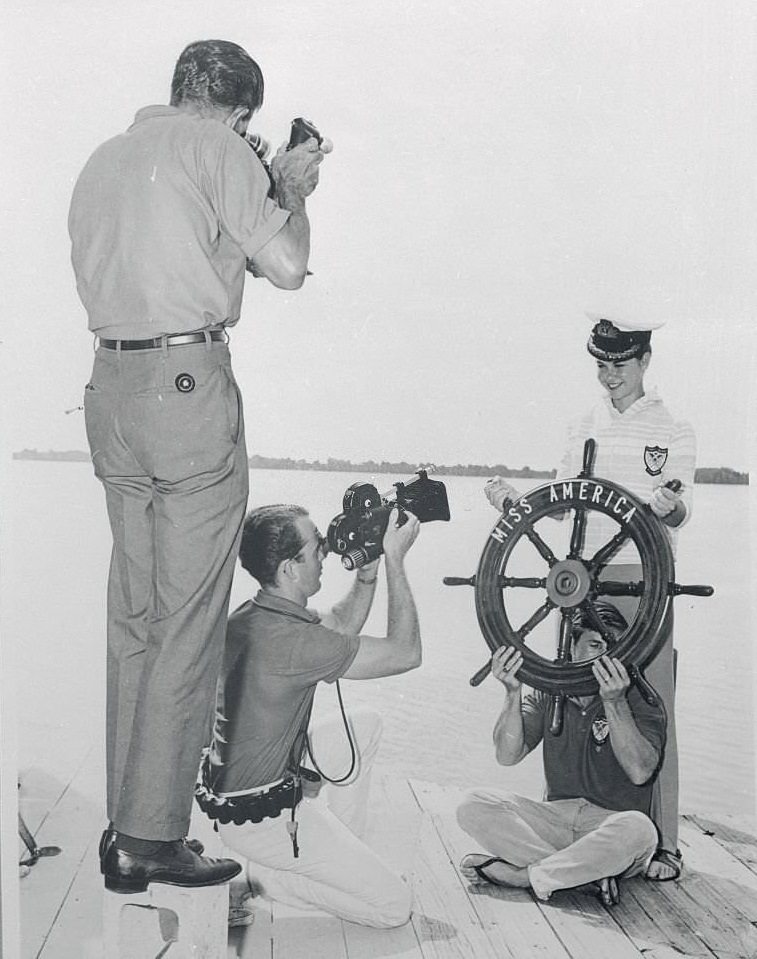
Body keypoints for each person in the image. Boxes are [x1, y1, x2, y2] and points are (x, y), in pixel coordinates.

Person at [68, 39, 330, 892]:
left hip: (111, 391)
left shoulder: (104, 159)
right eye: (247, 124)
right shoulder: (216, 148)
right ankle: (151, 837)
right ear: (237, 110)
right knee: (188, 622)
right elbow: (286, 266)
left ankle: (123, 824)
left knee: (137, 616)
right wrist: (285, 187)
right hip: (186, 392)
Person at [483, 313, 695, 881]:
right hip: (578, 576)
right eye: (601, 366)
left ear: (645, 360)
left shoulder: (674, 428)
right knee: (567, 688)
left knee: (651, 703)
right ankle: (563, 815)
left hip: (645, 577)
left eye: (619, 365)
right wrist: (514, 504)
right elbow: (560, 500)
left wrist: (669, 506)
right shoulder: (582, 425)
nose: (609, 376)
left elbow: (680, 505)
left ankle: (665, 844)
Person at [195, 503, 421, 928]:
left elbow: (337, 623)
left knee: (365, 723)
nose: (326, 554)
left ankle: (341, 856)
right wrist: (395, 560)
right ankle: (270, 882)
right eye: (316, 548)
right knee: (393, 907)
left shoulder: (254, 614)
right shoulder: (294, 643)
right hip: (264, 821)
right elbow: (406, 653)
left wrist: (367, 574)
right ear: (289, 569)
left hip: (246, 794)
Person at [457, 602, 665, 906]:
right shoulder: (548, 691)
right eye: (595, 645)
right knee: (472, 803)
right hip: (557, 818)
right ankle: (582, 873)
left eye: (614, 648)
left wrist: (614, 702)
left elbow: (640, 772)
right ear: (570, 647)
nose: (606, 657)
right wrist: (512, 692)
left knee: (640, 830)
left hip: (611, 825)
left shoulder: (640, 698)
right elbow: (507, 755)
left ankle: (526, 876)